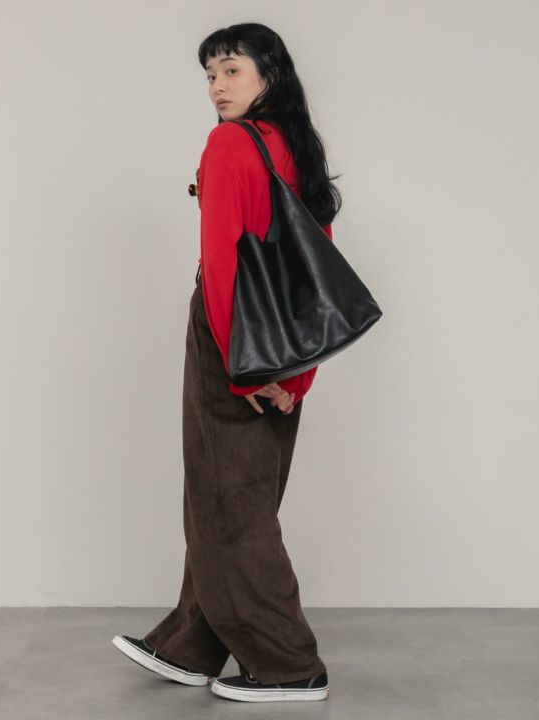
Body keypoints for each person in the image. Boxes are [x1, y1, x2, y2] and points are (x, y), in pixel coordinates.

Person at [113, 22, 341, 703]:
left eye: (232, 70)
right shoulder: (294, 146)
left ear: (270, 73)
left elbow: (221, 268)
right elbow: (318, 274)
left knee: (228, 505)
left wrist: (244, 370)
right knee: (238, 497)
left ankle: (289, 664)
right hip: (290, 343)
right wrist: (297, 376)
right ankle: (192, 643)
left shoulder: (230, 144)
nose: (217, 86)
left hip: (232, 341)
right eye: (210, 74)